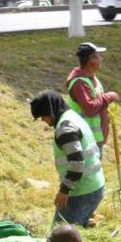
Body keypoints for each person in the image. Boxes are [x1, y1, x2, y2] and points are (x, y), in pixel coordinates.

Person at [31, 90, 105, 227]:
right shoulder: (72, 116)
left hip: (82, 191)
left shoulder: (65, 128)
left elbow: (77, 163)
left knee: (59, 237)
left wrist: (64, 190)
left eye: (43, 116)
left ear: (50, 110)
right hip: (94, 185)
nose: (43, 120)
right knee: (74, 231)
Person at [65, 42, 120, 148]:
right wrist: (109, 97)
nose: (101, 59)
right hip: (85, 139)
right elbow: (89, 108)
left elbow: (99, 104)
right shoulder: (79, 83)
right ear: (92, 59)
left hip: (95, 138)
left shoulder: (92, 78)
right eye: (99, 56)